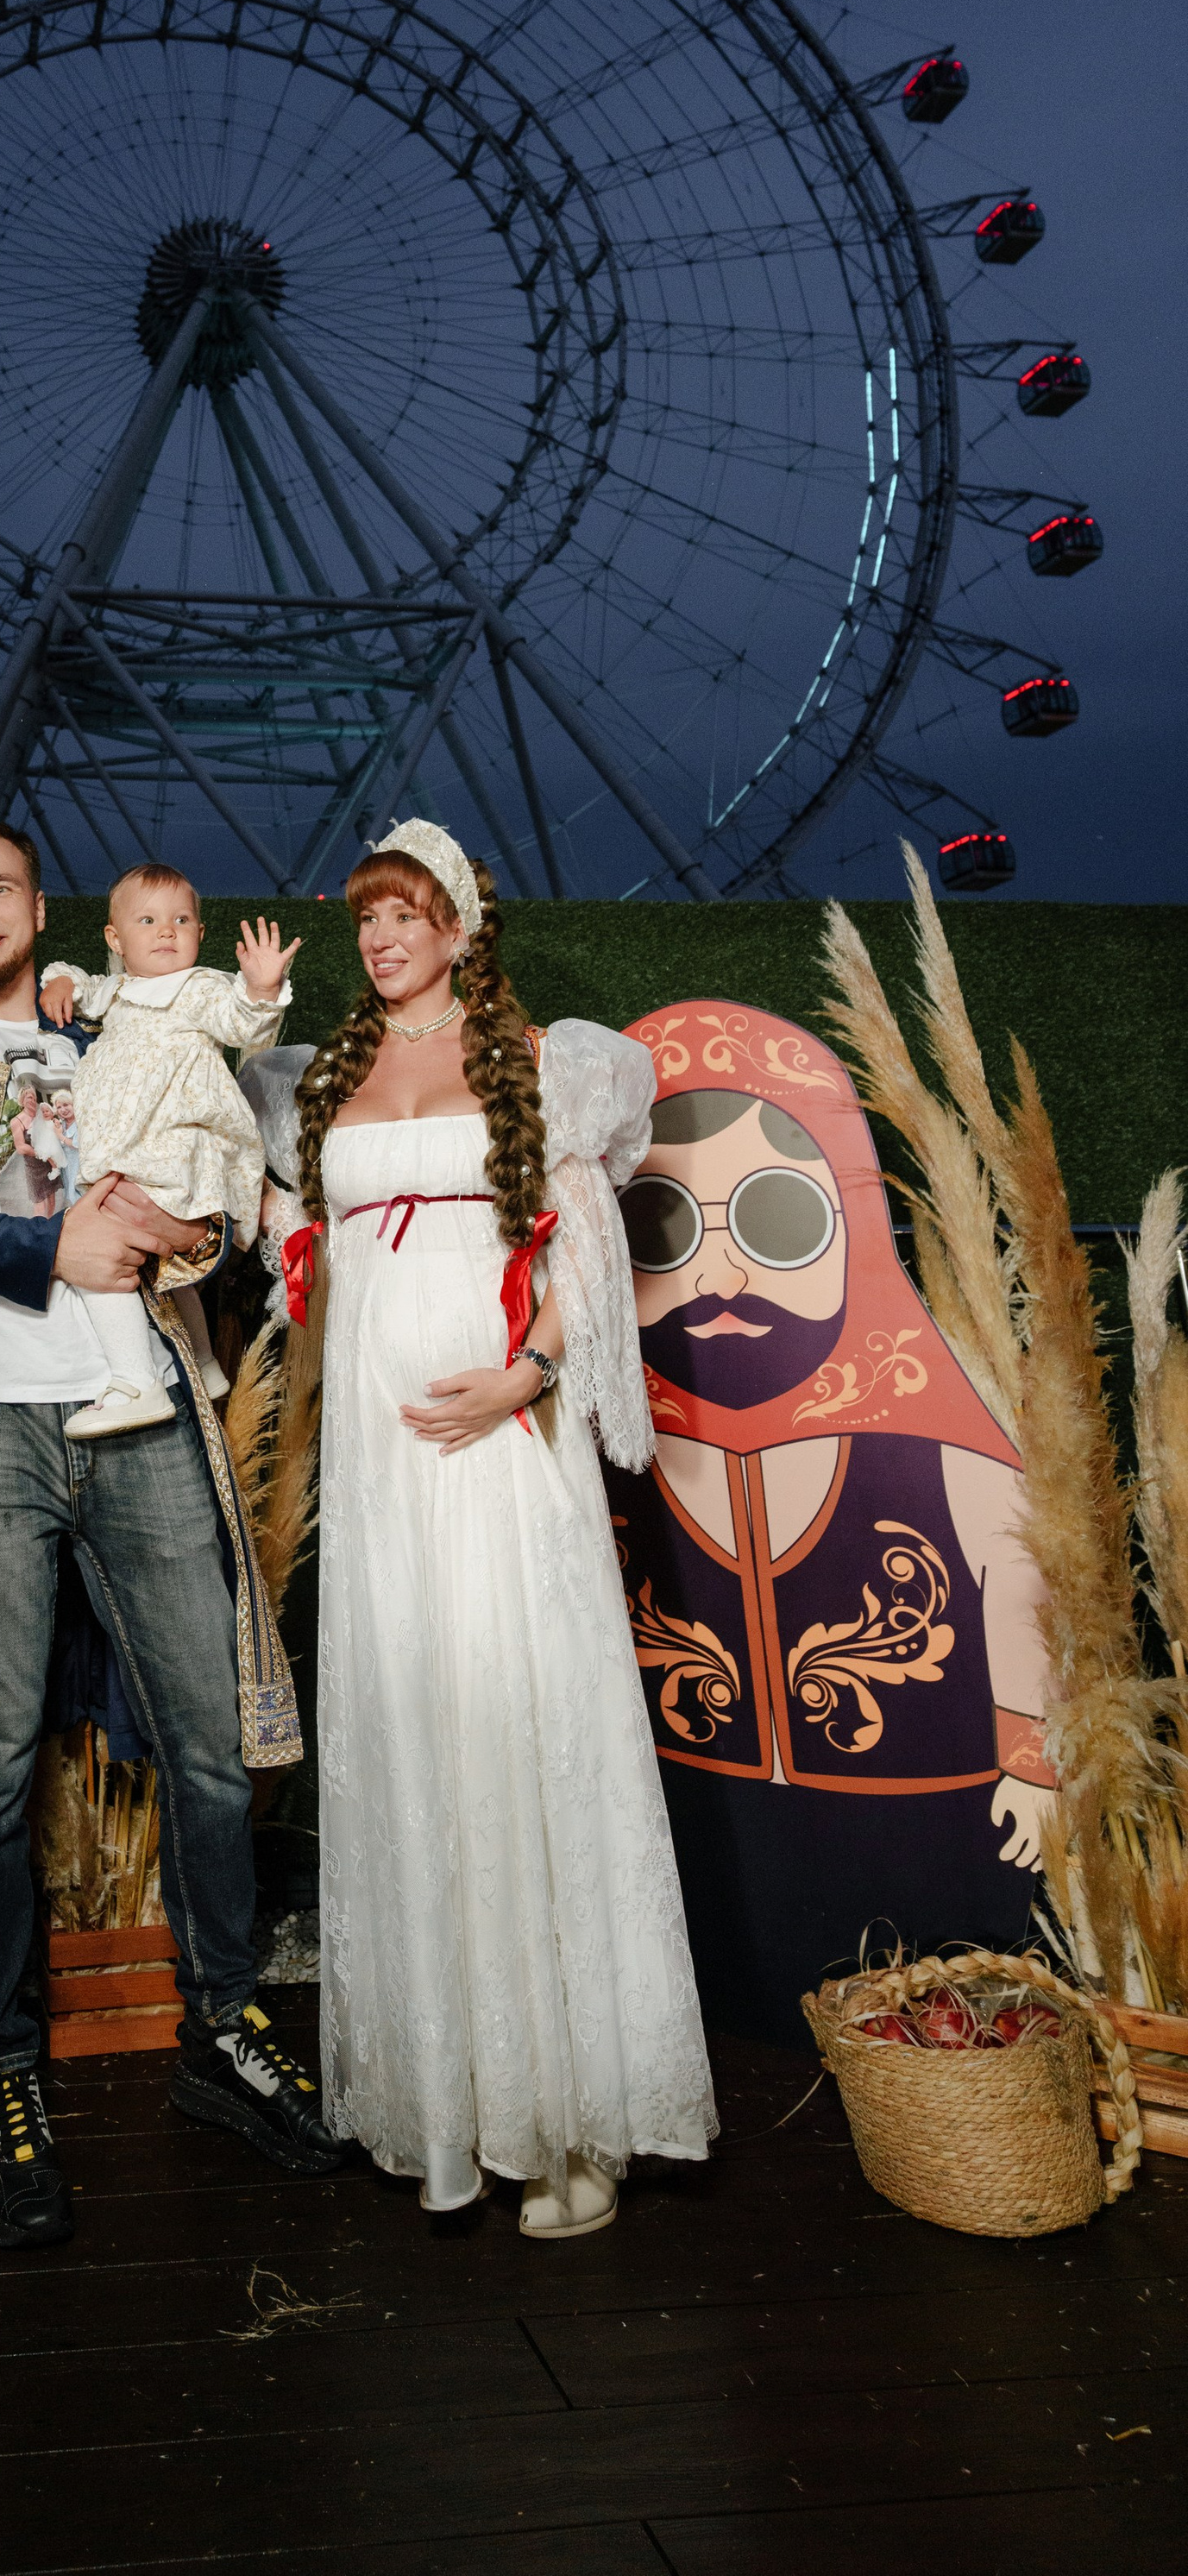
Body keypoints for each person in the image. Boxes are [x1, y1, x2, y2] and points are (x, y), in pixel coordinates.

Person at [0, 819, 345, 2250]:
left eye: (1, 890)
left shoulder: (124, 1034)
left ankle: (223, 2033)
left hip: (149, 1412)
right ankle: (0, 2074)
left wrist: (193, 1235)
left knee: (214, 1741)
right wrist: (52, 1247)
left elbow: (223, 1196)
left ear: (44, 910)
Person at [273, 819, 714, 2236]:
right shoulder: (329, 1077)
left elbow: (583, 1251)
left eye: (411, 914)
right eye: (369, 919)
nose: (386, 937)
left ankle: (572, 2123)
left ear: (463, 926)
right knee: (415, 1735)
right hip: (387, 1469)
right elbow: (298, 1253)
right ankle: (443, 2095)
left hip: (505, 1446)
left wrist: (526, 1377)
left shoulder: (542, 1066)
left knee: (528, 1723)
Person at [607, 998, 1053, 2039]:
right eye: (660, 1224)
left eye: (774, 1219)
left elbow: (1014, 1566)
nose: (717, 1273)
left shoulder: (931, 1436)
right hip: (701, 1829)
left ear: (845, 1221)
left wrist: (1028, 1756)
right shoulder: (607, 1441)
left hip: (925, 1824)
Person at [36, 862, 300, 1438]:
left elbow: (246, 1027)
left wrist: (260, 989)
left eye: (181, 920)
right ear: (115, 939)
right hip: (134, 1152)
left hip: (173, 1151)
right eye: (148, 920)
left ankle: (135, 1381)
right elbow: (77, 983)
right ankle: (204, 1365)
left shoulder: (200, 987)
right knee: (161, 1269)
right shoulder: (116, 992)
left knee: (99, 1249)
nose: (166, 931)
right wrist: (60, 982)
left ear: (200, 935)